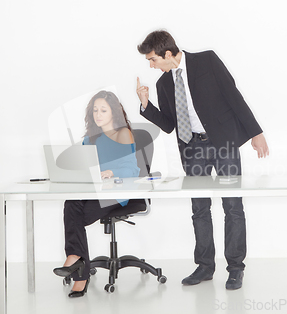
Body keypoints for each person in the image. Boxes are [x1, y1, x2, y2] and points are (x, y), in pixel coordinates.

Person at [136, 30, 269, 290]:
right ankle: (205, 266)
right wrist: (145, 105)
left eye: (152, 59)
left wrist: (256, 133)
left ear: (167, 54)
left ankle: (235, 268)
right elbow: (169, 125)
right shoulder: (163, 84)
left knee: (232, 206)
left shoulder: (207, 61)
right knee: (200, 209)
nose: (151, 65)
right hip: (192, 148)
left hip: (224, 144)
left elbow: (234, 96)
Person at [53, 90, 140, 297]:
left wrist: (112, 172)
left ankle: (78, 268)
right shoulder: (89, 139)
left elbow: (133, 170)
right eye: (95, 110)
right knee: (71, 203)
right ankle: (77, 261)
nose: (98, 114)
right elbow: (81, 166)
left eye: (103, 110)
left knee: (74, 214)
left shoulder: (123, 134)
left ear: (114, 113)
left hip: (118, 192)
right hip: (92, 192)